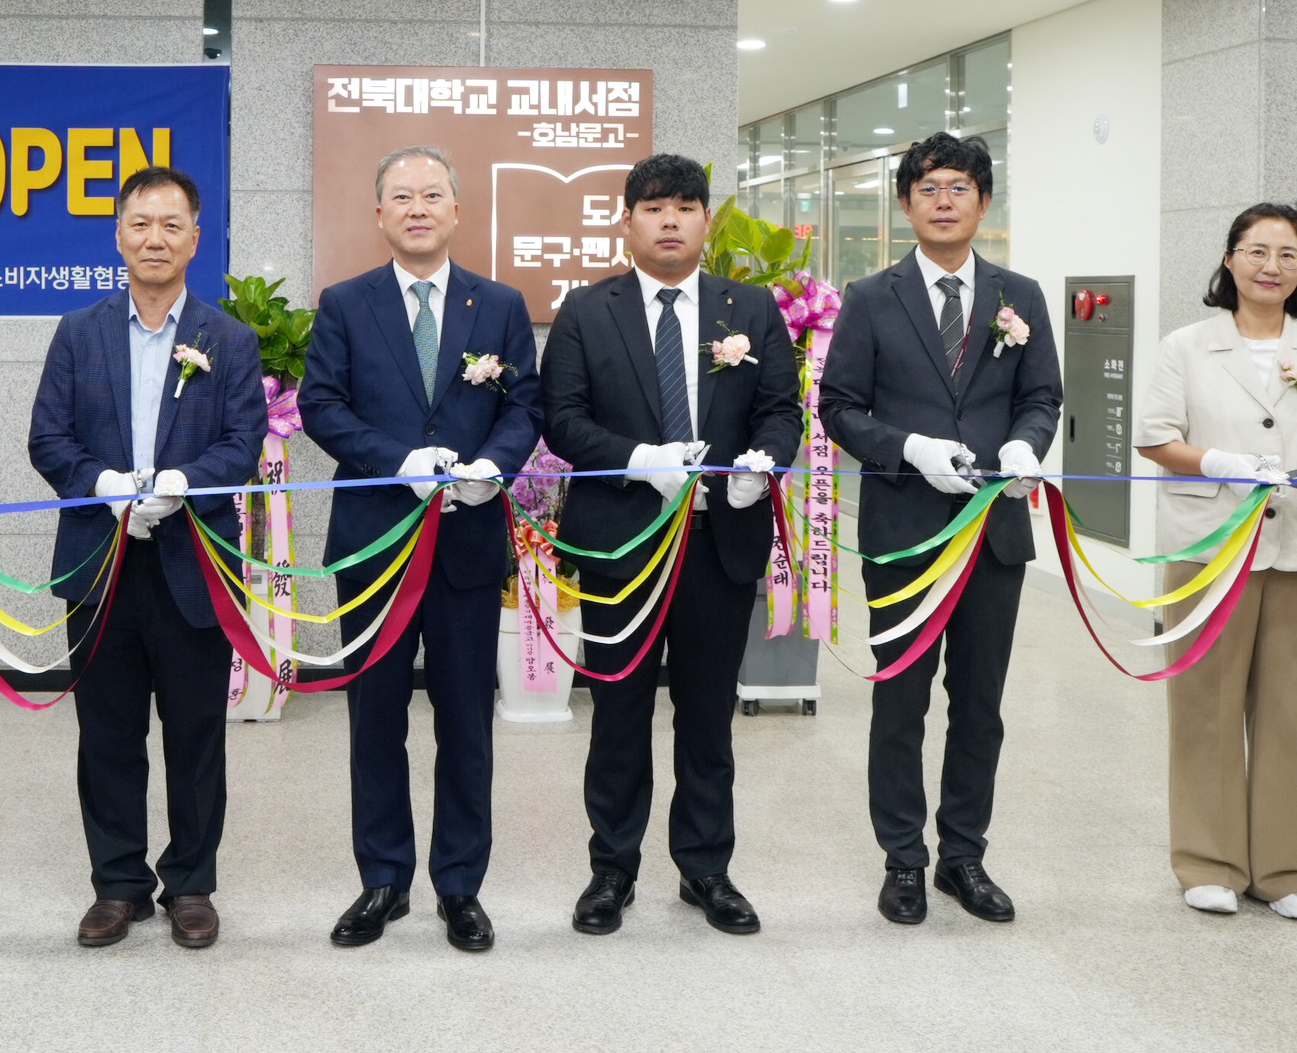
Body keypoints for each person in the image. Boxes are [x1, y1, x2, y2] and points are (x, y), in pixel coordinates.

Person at [535, 153, 803, 937]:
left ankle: (706, 868)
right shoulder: (587, 311)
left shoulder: (749, 308)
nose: (671, 220)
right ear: (627, 222)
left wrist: (765, 461)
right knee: (618, 709)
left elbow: (781, 408)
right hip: (622, 543)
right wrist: (640, 460)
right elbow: (564, 418)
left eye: (686, 206)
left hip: (720, 540)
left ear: (706, 220)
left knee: (708, 714)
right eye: (654, 207)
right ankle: (611, 870)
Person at [816, 131, 1063, 928]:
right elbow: (839, 407)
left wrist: (1026, 444)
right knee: (901, 699)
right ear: (906, 203)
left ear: (983, 202)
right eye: (929, 188)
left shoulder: (1019, 295)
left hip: (992, 530)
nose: (945, 200)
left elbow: (1042, 395)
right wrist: (909, 448)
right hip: (904, 532)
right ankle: (903, 861)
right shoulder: (870, 297)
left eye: (960, 187)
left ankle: (964, 856)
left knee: (980, 704)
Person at [300, 145, 540, 952]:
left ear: (456, 209)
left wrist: (493, 467)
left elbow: (524, 405)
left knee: (466, 719)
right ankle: (382, 879)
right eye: (400, 196)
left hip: (468, 538)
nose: (417, 208)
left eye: (432, 195)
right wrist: (397, 461)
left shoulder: (499, 304)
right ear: (378, 214)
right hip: (373, 543)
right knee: (374, 717)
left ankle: (461, 886)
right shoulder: (344, 302)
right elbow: (320, 407)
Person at [27, 165, 265, 949]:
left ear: (196, 237)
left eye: (171, 224)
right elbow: (47, 439)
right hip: (99, 563)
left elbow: (242, 442)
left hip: (192, 563)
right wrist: (100, 483)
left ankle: (191, 883)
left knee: (196, 732)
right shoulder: (77, 331)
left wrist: (182, 484)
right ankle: (119, 883)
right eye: (140, 223)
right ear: (117, 235)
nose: (154, 238)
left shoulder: (228, 338)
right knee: (108, 731)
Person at [1131, 203, 1297, 922]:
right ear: (1230, 259)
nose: (1271, 266)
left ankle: (1289, 869)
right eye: (1257, 251)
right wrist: (1215, 461)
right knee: (1205, 706)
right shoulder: (1187, 345)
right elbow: (1154, 436)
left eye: (1288, 255)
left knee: (1293, 711)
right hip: (1211, 552)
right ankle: (1207, 861)